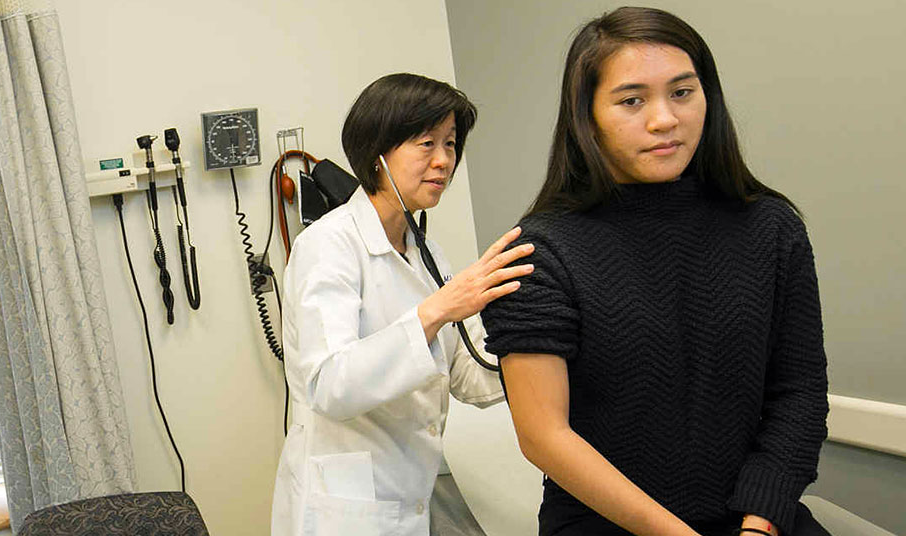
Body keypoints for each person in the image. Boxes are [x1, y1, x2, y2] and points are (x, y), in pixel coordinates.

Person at [480, 7, 830, 536]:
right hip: (606, 524)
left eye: (683, 93)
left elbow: (799, 393)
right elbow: (543, 436)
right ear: (586, 116)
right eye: (632, 100)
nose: (664, 119)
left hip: (752, 522)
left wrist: (759, 525)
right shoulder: (540, 252)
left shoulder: (772, 229)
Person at [271, 73, 535, 536]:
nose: (443, 161)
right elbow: (329, 384)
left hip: (409, 498)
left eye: (451, 144)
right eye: (426, 143)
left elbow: (470, 378)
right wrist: (437, 311)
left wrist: (542, 341)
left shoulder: (426, 254)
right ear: (378, 152)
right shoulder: (328, 245)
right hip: (346, 511)